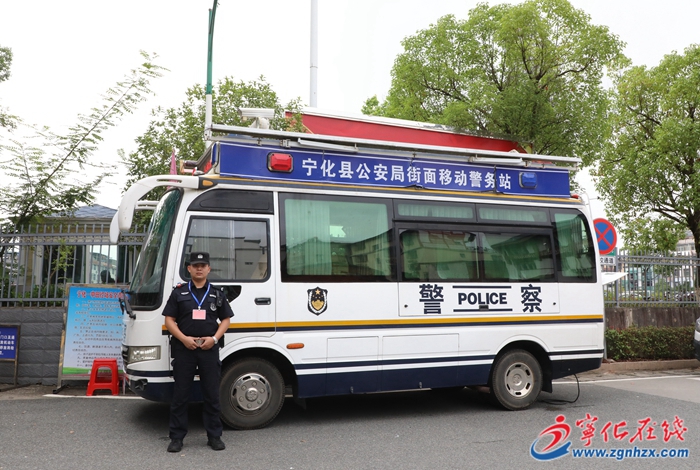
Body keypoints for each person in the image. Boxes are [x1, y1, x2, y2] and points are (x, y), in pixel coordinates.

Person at [162, 251, 233, 453]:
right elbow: (169, 320)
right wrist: (184, 339)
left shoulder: (217, 293)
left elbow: (226, 319)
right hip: (184, 349)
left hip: (209, 349)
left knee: (211, 394)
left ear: (209, 269)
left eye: (203, 266)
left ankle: (214, 436)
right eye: (195, 265)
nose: (199, 268)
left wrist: (214, 339)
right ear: (189, 269)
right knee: (180, 395)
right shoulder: (179, 293)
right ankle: (176, 438)